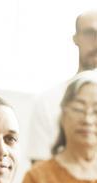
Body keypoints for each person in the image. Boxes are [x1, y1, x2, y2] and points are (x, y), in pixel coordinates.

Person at [27, 9, 97, 164]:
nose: (96, 41)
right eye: (90, 33)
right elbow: (40, 178)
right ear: (76, 38)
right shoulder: (47, 101)